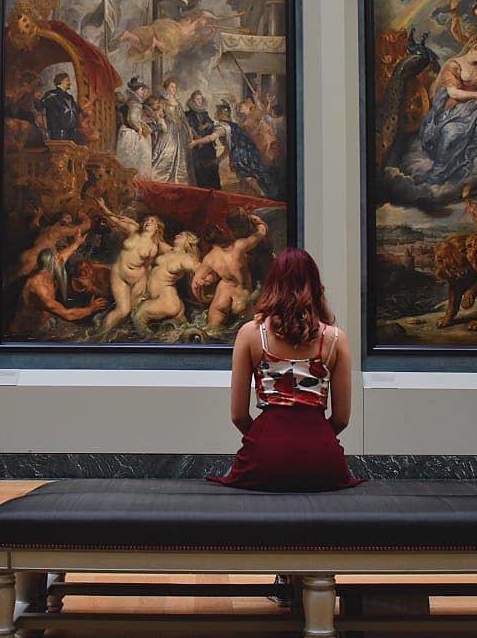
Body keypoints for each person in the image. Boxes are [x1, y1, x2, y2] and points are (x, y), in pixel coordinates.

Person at [209, 247, 364, 493]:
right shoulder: (336, 339)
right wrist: (312, 439)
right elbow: (341, 418)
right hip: (322, 460)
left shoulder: (250, 334)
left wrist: (267, 440)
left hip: (263, 456)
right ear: (315, 285)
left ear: (272, 284)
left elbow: (238, 415)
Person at [418, 36, 477, 185]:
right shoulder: (453, 65)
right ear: (472, 49)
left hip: (474, 106)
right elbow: (454, 93)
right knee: (452, 133)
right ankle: (438, 175)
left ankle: (469, 156)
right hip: (455, 107)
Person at [96, 197, 169, 333]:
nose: (147, 222)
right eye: (146, 220)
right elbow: (115, 220)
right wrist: (103, 206)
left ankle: (127, 337)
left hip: (138, 279)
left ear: (157, 226)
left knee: (133, 312)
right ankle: (99, 337)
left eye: (152, 221)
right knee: (123, 310)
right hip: (119, 274)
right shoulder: (133, 230)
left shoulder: (156, 245)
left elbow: (150, 265)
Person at [191, 210, 268, 330]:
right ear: (221, 233)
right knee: (252, 331)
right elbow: (261, 234)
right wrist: (260, 223)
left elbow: (195, 285)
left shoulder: (209, 259)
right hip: (242, 298)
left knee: (212, 332)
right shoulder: (239, 246)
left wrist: (203, 301)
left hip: (222, 298)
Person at [134, 230, 200, 327]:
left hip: (166, 301)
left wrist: (204, 278)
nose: (177, 235)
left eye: (181, 234)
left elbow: (199, 268)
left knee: (139, 316)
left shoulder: (186, 258)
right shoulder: (169, 251)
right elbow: (157, 239)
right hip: (168, 301)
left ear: (188, 240)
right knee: (181, 333)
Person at [150, 77, 192, 185]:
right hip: (167, 131)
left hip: (179, 132)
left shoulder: (177, 103)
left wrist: (189, 130)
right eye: (171, 87)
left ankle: (178, 181)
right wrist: (161, 119)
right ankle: (159, 179)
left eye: (175, 87)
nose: (174, 89)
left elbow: (183, 118)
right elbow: (157, 115)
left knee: (180, 156)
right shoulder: (162, 102)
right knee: (165, 153)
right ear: (166, 88)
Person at [185, 90, 220, 189]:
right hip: (196, 146)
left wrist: (206, 125)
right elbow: (188, 128)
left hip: (208, 145)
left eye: (200, 99)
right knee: (199, 168)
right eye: (197, 99)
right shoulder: (188, 115)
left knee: (211, 165)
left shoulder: (205, 113)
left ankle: (214, 189)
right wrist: (195, 135)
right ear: (192, 101)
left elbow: (211, 123)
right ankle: (202, 189)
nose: (199, 101)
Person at [39, 72, 83, 143]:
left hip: (71, 133)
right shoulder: (52, 95)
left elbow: (78, 111)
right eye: (67, 80)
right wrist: (35, 98)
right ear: (60, 81)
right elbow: (39, 106)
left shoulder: (70, 97)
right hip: (58, 133)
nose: (69, 83)